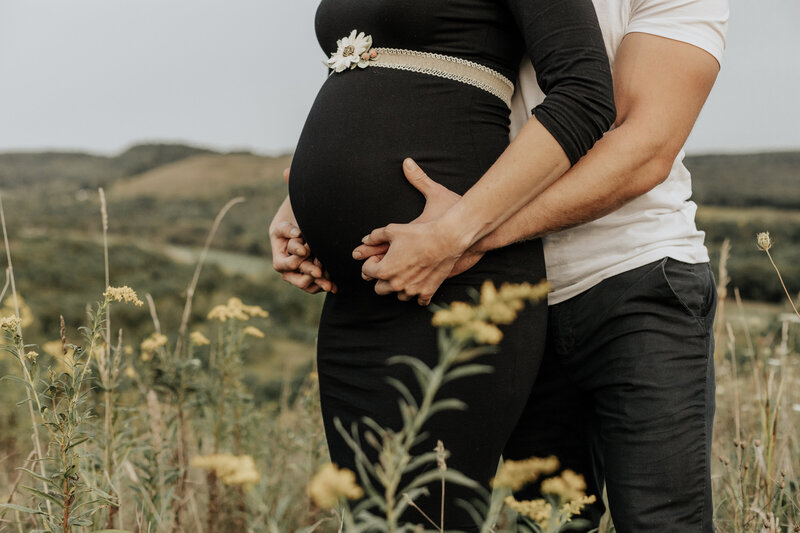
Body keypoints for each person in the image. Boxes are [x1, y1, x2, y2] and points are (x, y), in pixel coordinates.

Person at [275, 0, 729, 531]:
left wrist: (466, 233)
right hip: (502, 293)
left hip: (631, 276)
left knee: (661, 519)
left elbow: (644, 148)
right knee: (545, 522)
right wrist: (306, 199)